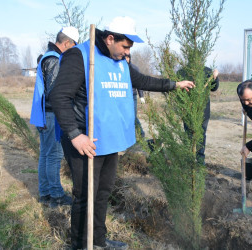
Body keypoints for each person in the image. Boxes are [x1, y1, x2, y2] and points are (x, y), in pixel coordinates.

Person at [49, 16, 194, 250]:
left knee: (103, 193)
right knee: (86, 195)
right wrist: (76, 135)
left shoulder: (121, 61)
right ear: (109, 39)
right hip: (85, 140)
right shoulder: (79, 56)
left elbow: (142, 80)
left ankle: (98, 241)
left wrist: (174, 85)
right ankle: (78, 245)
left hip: (109, 138)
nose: (127, 53)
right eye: (125, 46)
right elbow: (59, 97)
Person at [30, 26, 79, 208]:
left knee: (45, 154)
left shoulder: (46, 56)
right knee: (54, 156)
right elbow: (55, 92)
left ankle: (45, 193)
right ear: (66, 43)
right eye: (73, 46)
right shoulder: (55, 59)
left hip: (43, 114)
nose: (74, 49)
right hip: (51, 115)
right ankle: (56, 196)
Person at [178, 66, 219, 165]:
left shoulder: (207, 71)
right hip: (187, 109)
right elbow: (177, 91)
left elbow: (214, 88)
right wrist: (181, 105)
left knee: (201, 135)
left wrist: (215, 78)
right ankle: (189, 158)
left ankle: (200, 158)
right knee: (188, 134)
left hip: (203, 110)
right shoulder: (182, 72)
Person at [125, 54, 145, 138]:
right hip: (123, 96)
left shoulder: (134, 68)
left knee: (133, 116)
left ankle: (141, 133)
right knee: (125, 116)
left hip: (132, 95)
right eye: (124, 57)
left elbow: (139, 83)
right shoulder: (119, 68)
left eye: (127, 57)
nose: (126, 59)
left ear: (129, 58)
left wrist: (141, 96)